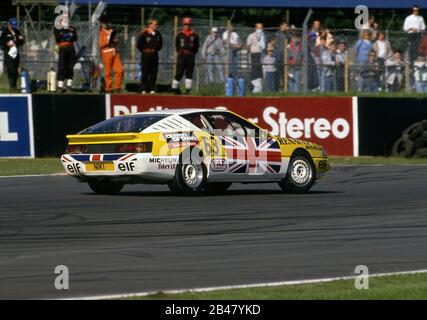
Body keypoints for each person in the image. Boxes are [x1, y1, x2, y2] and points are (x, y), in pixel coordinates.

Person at [171, 17, 199, 95]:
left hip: (190, 56)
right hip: (182, 56)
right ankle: (174, 88)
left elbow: (196, 46)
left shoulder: (194, 35)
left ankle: (187, 90)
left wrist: (192, 53)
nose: (187, 25)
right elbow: (177, 45)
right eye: (185, 24)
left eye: (188, 24)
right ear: (183, 24)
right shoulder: (180, 35)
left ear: (190, 25)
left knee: (189, 73)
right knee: (179, 73)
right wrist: (180, 52)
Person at [99, 15, 124, 93]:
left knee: (120, 70)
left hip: (114, 51)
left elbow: (116, 41)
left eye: (107, 23)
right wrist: (108, 40)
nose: (106, 25)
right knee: (108, 72)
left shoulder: (112, 30)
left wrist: (116, 40)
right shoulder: (101, 32)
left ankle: (117, 87)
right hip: (106, 52)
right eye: (104, 23)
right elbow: (101, 44)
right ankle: (108, 88)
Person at [137, 19, 163, 94]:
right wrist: (145, 50)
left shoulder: (158, 34)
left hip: (154, 54)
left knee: (153, 72)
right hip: (146, 54)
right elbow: (139, 45)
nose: (156, 26)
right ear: (150, 25)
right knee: (145, 71)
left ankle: (152, 88)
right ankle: (143, 89)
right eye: (155, 24)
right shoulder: (144, 33)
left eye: (156, 24)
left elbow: (160, 44)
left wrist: (154, 49)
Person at [53, 13, 77, 92]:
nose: (66, 19)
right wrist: (67, 34)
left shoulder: (72, 28)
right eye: (64, 17)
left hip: (71, 48)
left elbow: (74, 38)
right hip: (63, 48)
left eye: (67, 17)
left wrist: (67, 35)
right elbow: (58, 38)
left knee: (70, 66)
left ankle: (69, 85)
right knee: (62, 66)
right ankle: (60, 86)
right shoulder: (57, 28)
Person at [0, 18, 24, 92]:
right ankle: (11, 85)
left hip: (16, 53)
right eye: (12, 25)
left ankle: (14, 86)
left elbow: (20, 41)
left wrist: (21, 39)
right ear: (9, 24)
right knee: (11, 69)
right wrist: (7, 44)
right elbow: (2, 42)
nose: (13, 27)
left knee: (16, 70)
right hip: (8, 53)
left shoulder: (17, 31)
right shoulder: (5, 32)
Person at [270, 22, 290, 91]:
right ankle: (276, 89)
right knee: (278, 72)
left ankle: (284, 88)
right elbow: (271, 43)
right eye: (285, 26)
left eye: (286, 26)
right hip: (278, 55)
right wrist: (275, 46)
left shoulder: (287, 34)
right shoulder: (277, 34)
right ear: (281, 26)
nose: (286, 27)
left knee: (284, 73)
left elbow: (290, 41)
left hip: (284, 55)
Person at [246, 23, 266, 93]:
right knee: (254, 70)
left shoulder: (263, 36)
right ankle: (253, 87)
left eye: (261, 28)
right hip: (254, 54)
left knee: (260, 71)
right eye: (259, 28)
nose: (260, 29)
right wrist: (249, 52)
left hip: (261, 55)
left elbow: (264, 46)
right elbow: (248, 45)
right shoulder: (251, 35)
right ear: (256, 28)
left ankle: (259, 88)